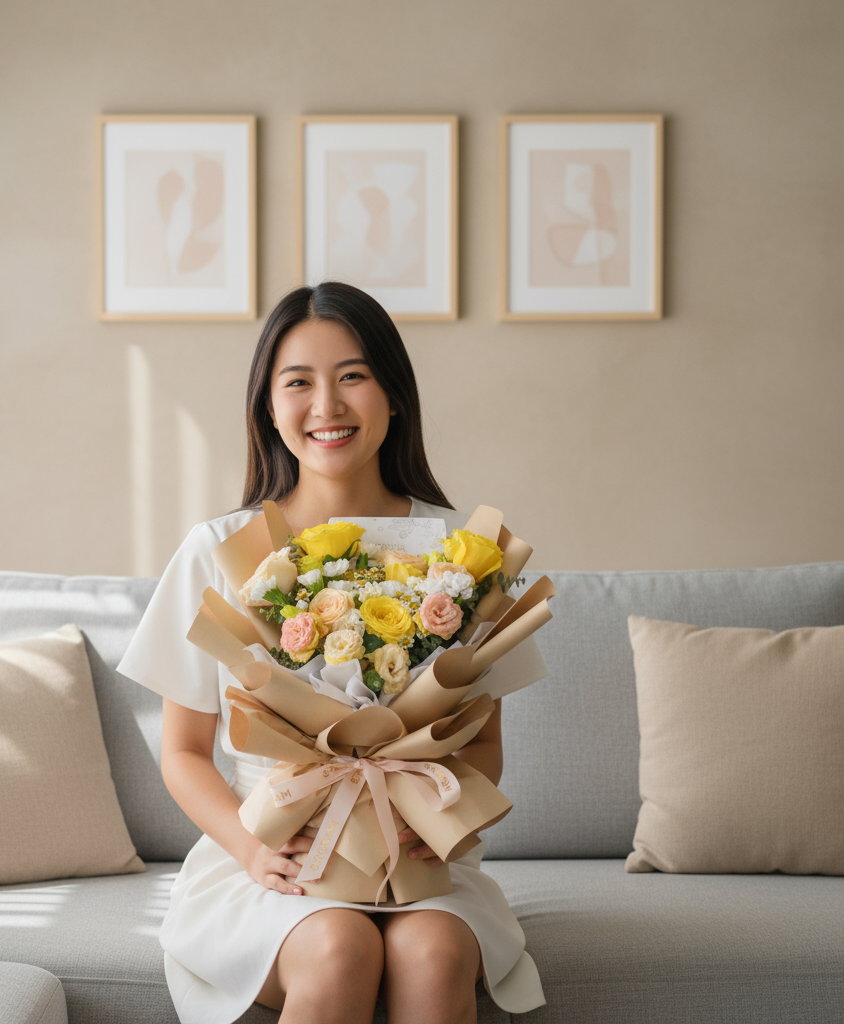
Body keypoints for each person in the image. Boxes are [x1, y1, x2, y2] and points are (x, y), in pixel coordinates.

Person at [117, 282, 546, 1024]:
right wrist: (252, 851)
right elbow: (183, 751)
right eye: (298, 382)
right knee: (340, 948)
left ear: (394, 394)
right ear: (267, 405)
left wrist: (446, 827)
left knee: (434, 955)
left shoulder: (465, 554)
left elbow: (486, 745)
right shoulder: (217, 552)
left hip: (420, 856)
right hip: (271, 856)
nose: (327, 405)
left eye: (353, 376)